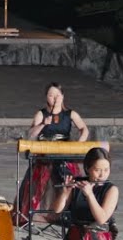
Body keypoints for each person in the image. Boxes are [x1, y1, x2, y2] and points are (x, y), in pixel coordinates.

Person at [15, 82, 93, 226]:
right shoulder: (41, 114)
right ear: (46, 98)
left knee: (67, 179)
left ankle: (66, 212)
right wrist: (43, 124)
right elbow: (31, 134)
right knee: (40, 181)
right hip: (45, 152)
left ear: (63, 96)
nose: (55, 98)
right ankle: (36, 214)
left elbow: (84, 129)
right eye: (51, 95)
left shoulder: (70, 114)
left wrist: (79, 144)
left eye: (58, 95)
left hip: (64, 151)